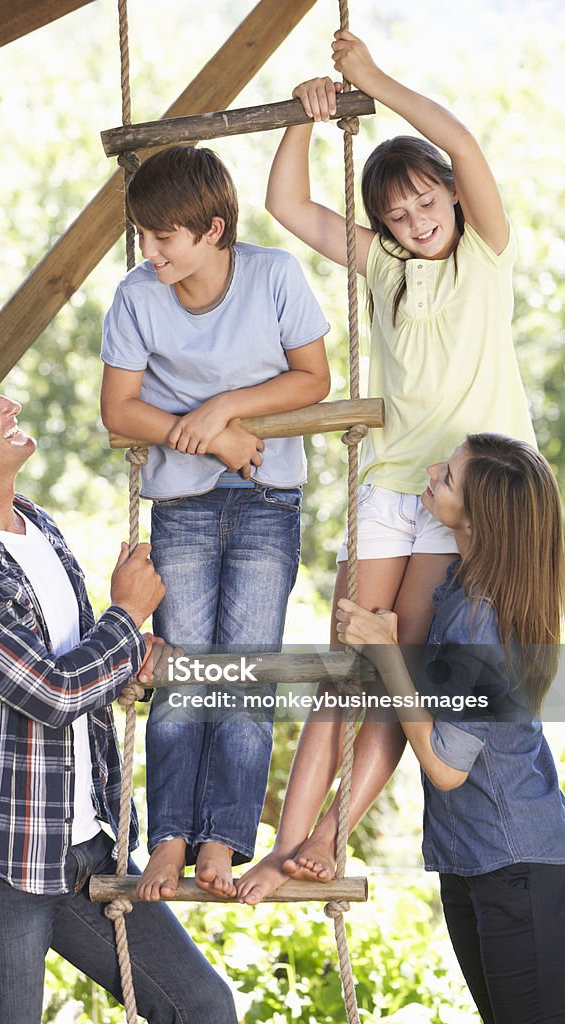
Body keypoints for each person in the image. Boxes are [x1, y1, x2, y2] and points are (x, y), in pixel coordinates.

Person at [237, 29, 537, 903]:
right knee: (346, 665)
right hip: (392, 491)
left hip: (462, 501)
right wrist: (303, 113)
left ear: (447, 194)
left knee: (397, 666)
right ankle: (284, 850)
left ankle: (329, 837)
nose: (415, 224)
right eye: (397, 217)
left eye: (425, 206)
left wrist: (370, 80)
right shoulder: (385, 268)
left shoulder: (485, 254)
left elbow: (467, 144)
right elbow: (287, 206)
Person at [0, 346, 237, 1024]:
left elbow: (76, 676)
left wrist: (129, 668)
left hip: (82, 845)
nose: (7, 404)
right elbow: (49, 692)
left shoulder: (37, 526)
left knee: (200, 1007)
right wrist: (127, 617)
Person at [100, 144, 331, 900]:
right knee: (186, 668)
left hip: (268, 500)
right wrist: (204, 440)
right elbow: (119, 409)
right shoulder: (137, 296)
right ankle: (168, 838)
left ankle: (222, 840)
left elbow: (313, 377)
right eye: (143, 234)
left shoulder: (273, 276)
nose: (150, 250)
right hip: (183, 505)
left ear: (213, 230)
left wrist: (221, 410)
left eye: (164, 236)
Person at [336, 433, 565, 1024]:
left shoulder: (484, 620)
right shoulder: (464, 587)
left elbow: (445, 768)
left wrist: (388, 653)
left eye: (450, 477)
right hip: (473, 861)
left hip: (515, 867)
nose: (434, 470)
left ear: (480, 515)